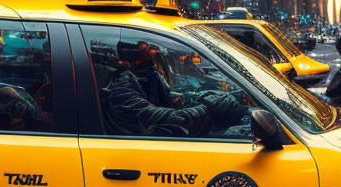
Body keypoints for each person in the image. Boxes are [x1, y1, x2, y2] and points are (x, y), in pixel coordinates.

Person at [103, 40, 244, 137]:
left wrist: (202, 96)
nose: (154, 66)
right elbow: (168, 118)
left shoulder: (143, 80)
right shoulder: (120, 91)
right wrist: (210, 107)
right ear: (131, 60)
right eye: (149, 58)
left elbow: (171, 97)